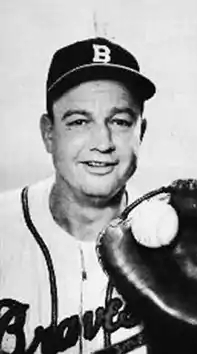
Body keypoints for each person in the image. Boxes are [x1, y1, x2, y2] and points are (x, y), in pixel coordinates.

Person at [0, 37, 156, 353]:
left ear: (141, 132)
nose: (103, 141)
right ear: (49, 133)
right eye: (79, 121)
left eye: (121, 121)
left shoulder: (180, 246)